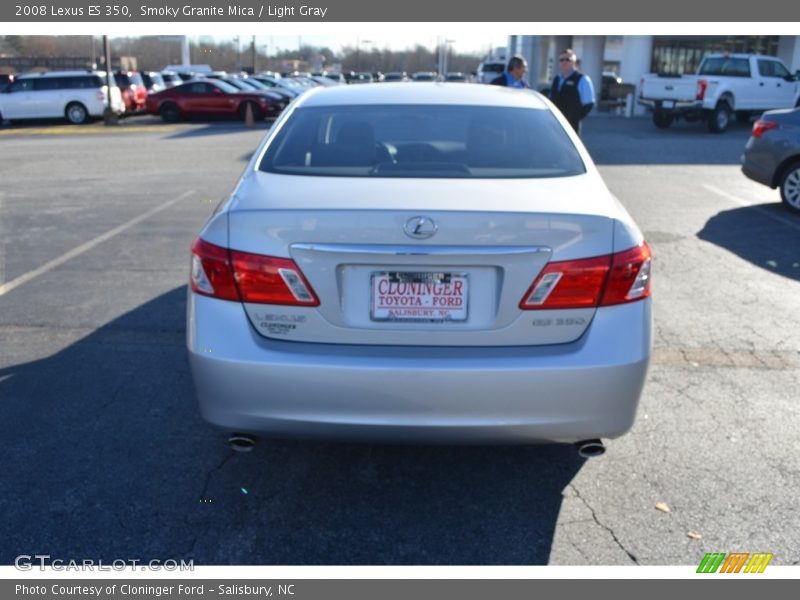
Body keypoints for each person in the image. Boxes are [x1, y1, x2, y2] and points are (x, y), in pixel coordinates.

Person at [550, 49, 595, 134]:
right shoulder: (557, 79)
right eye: (561, 60)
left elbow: (589, 103)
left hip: (572, 125)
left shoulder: (582, 79)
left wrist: (576, 116)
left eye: (567, 60)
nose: (564, 62)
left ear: (574, 62)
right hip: (555, 123)